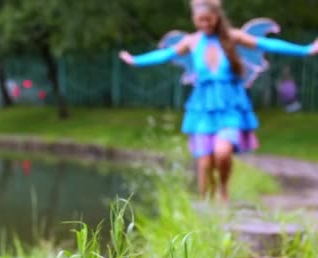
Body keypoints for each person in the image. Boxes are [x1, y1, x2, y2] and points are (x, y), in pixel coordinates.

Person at [119, 0, 318, 203]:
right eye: (199, 20)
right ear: (194, 19)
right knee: (204, 161)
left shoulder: (232, 37)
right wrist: (137, 60)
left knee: (222, 153)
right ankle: (206, 202)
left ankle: (223, 190)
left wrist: (305, 50)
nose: (204, 23)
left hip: (231, 103)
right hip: (202, 105)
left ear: (217, 17)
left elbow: (267, 44)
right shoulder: (192, 41)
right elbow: (166, 54)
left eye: (208, 19)